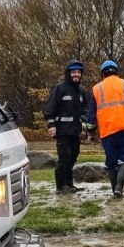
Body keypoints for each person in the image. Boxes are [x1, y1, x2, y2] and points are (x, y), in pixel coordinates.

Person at [85, 60, 124, 198]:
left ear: (102, 74)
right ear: (116, 72)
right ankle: (119, 188)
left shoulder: (97, 88)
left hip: (107, 131)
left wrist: (91, 131)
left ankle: (114, 191)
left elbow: (91, 113)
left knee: (111, 162)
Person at [44, 59, 89, 194]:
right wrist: (51, 125)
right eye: (74, 72)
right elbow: (49, 108)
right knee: (64, 158)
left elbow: (85, 110)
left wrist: (86, 124)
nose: (76, 74)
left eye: (78, 72)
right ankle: (60, 186)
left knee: (73, 157)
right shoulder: (60, 88)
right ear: (68, 73)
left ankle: (69, 184)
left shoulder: (82, 91)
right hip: (62, 130)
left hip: (75, 132)